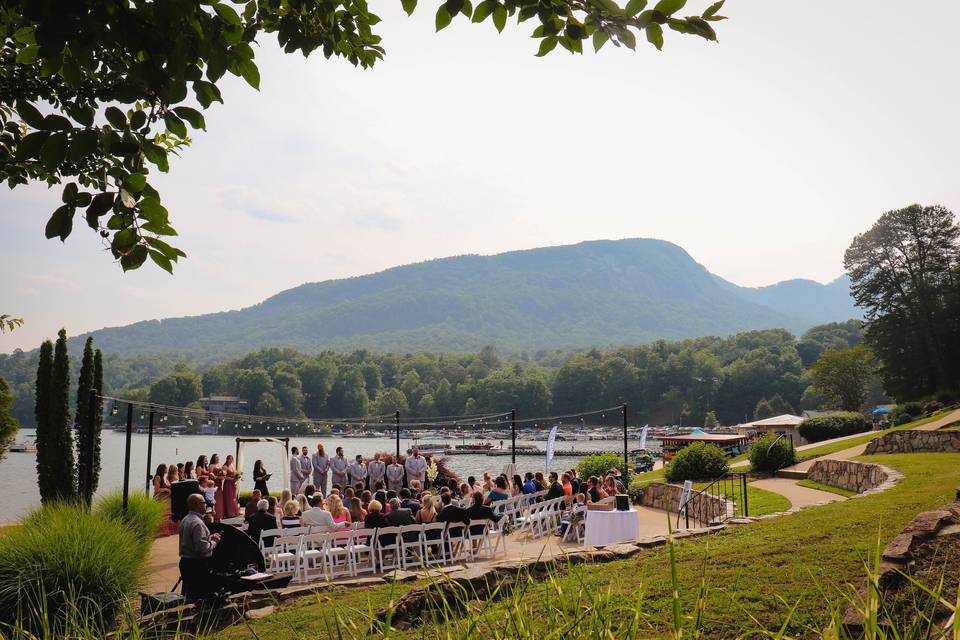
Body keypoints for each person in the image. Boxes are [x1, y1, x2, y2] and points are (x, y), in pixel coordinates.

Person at [178, 493, 221, 601]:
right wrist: (214, 542)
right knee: (200, 597)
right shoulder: (198, 523)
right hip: (197, 565)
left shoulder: (185, 519)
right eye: (204, 503)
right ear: (197, 504)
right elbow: (201, 549)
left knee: (189, 595)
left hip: (186, 562)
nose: (206, 505)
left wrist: (208, 538)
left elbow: (192, 541)